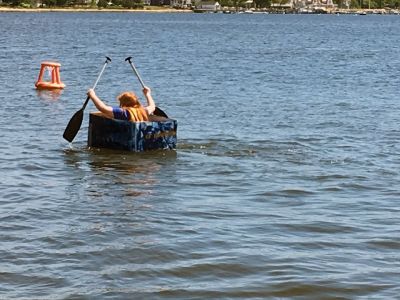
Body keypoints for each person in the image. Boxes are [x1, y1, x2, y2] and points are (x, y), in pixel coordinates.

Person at [87, 86, 156, 122]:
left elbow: (102, 108)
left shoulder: (124, 113)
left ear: (123, 103)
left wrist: (92, 95)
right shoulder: (144, 110)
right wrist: (148, 94)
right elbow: (152, 106)